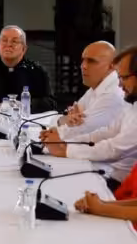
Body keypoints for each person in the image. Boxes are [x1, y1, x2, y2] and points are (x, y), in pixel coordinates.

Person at [43, 45, 137, 192]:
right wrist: (62, 142)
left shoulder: (114, 95)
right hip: (107, 171)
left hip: (118, 182)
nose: (119, 83)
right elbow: (106, 133)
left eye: (123, 77)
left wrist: (65, 149)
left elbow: (114, 149)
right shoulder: (132, 103)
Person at [40, 41, 125, 140]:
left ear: (112, 66)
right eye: (83, 60)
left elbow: (80, 132)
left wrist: (57, 126)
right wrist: (62, 120)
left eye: (91, 61)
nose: (83, 66)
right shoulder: (97, 87)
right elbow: (70, 117)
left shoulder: (112, 94)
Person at [0, 25, 56, 113]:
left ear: (24, 49)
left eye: (14, 41)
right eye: (4, 40)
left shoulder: (38, 72)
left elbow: (50, 103)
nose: (9, 44)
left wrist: (24, 105)